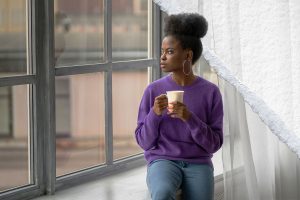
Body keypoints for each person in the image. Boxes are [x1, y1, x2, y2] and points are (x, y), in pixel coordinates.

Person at [135, 13, 223, 200]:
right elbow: (144, 142)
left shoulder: (210, 92)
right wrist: (154, 114)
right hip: (162, 160)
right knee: (162, 193)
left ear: (188, 55)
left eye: (170, 51)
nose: (163, 57)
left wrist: (189, 118)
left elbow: (214, 144)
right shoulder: (153, 90)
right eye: (162, 51)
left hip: (199, 162)